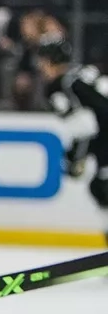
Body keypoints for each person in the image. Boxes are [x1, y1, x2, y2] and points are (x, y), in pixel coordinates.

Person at [34, 34, 108, 246]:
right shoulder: (84, 72)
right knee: (100, 188)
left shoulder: (60, 86)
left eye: (42, 60)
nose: (40, 66)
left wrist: (75, 157)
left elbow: (85, 128)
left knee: (101, 188)